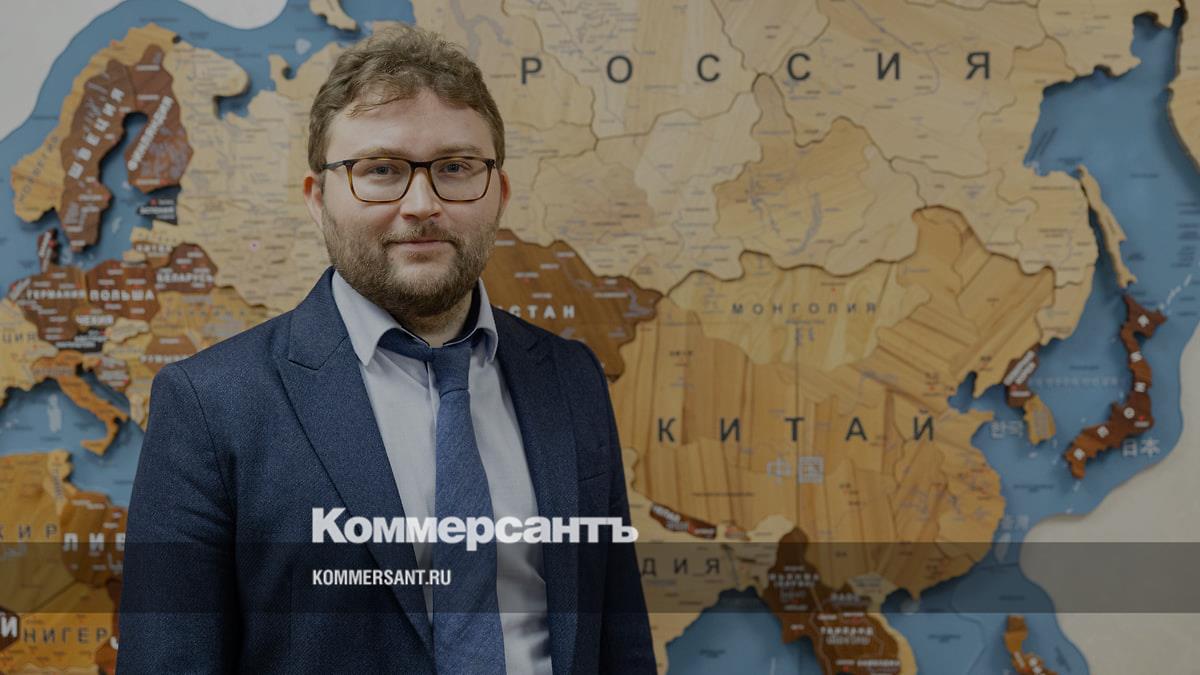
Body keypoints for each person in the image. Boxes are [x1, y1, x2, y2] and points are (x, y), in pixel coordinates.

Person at [117, 24, 655, 674]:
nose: (422, 205)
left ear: (500, 193)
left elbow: (620, 648)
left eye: (455, 168)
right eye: (380, 170)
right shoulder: (210, 407)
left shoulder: (571, 379)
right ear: (318, 199)